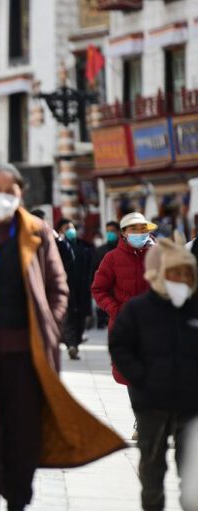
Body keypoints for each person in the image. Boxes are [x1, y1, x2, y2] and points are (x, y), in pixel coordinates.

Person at [0, 164, 125, 511]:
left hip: (28, 353)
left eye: (11, 190)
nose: (3, 196)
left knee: (24, 431)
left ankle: (19, 500)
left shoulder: (37, 231)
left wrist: (50, 323)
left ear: (21, 195)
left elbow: (58, 285)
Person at [109, 234, 198, 511]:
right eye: (174, 273)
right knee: (152, 471)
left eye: (186, 273)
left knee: (193, 477)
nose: (180, 279)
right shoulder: (139, 309)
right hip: (151, 406)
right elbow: (121, 347)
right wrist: (141, 379)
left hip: (191, 408)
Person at [91, 212, 156, 386]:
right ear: (124, 233)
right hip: (124, 324)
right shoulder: (112, 258)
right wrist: (116, 310)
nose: (139, 233)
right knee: (130, 374)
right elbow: (98, 289)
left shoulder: (157, 255)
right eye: (133, 229)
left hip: (153, 324)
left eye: (143, 229)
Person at [55, 218, 94, 360]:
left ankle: (75, 343)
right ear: (60, 231)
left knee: (81, 318)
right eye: (66, 228)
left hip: (83, 287)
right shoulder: (57, 246)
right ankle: (71, 344)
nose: (70, 230)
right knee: (69, 316)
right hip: (67, 286)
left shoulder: (85, 247)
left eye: (71, 227)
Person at [91, 221, 121, 328]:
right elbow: (94, 269)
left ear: (119, 232)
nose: (110, 234)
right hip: (106, 288)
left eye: (112, 231)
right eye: (108, 231)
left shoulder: (123, 249)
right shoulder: (101, 250)